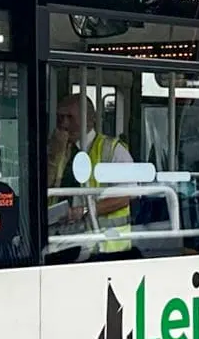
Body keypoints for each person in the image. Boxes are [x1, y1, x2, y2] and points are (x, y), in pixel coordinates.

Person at [47, 92, 134, 252]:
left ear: (89, 119)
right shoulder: (59, 148)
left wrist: (85, 210)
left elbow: (126, 195)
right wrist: (53, 156)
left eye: (70, 117)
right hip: (60, 238)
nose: (64, 124)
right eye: (60, 118)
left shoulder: (113, 150)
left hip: (104, 247)